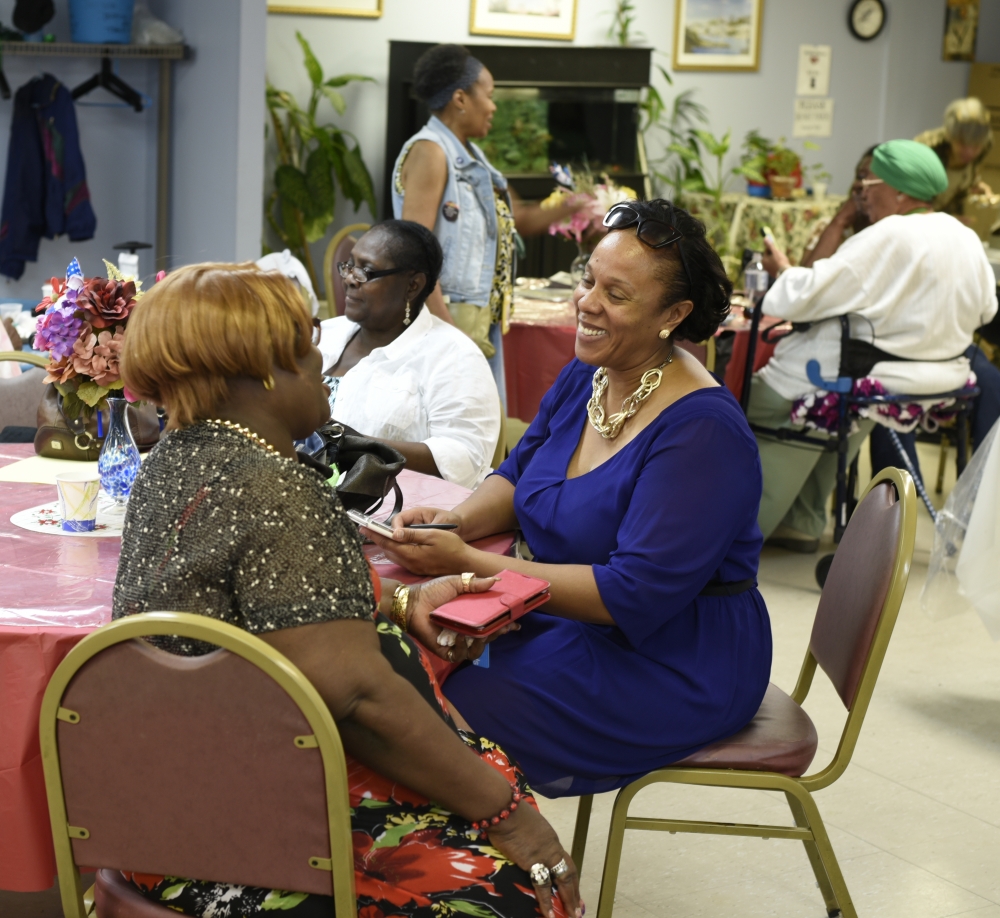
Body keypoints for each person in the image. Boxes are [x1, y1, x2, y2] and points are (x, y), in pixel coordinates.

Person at [113, 263, 581, 918]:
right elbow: (358, 696)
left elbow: (252, 608)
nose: (324, 361)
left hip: (169, 808)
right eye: (308, 346)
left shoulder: (171, 461)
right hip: (259, 837)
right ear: (269, 370)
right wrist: (503, 812)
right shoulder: (275, 485)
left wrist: (395, 604)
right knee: (517, 889)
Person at [361, 199, 772, 798]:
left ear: (674, 314)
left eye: (617, 294)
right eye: (588, 281)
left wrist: (466, 562)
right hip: (560, 615)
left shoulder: (702, 433)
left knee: (430, 706)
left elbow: (632, 595)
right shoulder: (593, 371)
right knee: (397, 659)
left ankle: (457, 871)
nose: (586, 303)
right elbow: (521, 470)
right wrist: (458, 522)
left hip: (672, 658)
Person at [755, 140, 998, 551]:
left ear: (900, 191)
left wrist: (783, 271)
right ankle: (802, 519)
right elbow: (986, 309)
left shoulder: (888, 235)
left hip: (856, 378)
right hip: (932, 379)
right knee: (848, 416)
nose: (863, 190)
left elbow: (801, 297)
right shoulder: (964, 236)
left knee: (745, 401)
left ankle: (733, 528)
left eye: (871, 181)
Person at [392, 43, 583, 404]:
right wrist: (445, 329)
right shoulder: (430, 152)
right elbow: (414, 252)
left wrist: (580, 203)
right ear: (461, 98)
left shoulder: (473, 158)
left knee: (480, 430)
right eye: (490, 95)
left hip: (481, 318)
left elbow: (520, 219)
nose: (494, 106)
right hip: (447, 317)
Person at [319, 220, 500, 488]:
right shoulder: (324, 335)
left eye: (365, 272)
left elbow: (464, 457)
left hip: (389, 512)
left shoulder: (454, 357)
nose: (348, 279)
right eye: (349, 265)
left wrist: (352, 445)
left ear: (412, 286)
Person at [916, 97, 994, 217]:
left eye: (976, 146)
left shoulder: (985, 145)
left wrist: (975, 183)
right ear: (949, 135)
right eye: (962, 143)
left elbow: (968, 172)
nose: (970, 152)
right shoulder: (926, 149)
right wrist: (945, 220)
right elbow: (907, 200)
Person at [799, 146, 875, 268]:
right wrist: (839, 221)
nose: (860, 185)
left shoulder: (888, 233)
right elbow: (807, 279)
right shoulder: (828, 226)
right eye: (860, 177)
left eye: (871, 182)